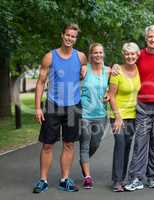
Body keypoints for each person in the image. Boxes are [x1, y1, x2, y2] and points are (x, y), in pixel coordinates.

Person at [33, 23, 87, 193]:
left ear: (75, 38)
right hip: (53, 105)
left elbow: (95, 70)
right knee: (48, 145)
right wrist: (37, 108)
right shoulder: (49, 57)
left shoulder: (81, 57)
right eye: (68, 35)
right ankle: (43, 180)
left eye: (73, 36)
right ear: (62, 35)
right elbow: (41, 83)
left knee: (69, 144)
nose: (70, 38)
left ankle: (65, 179)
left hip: (73, 106)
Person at [123, 25, 154, 191]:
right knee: (140, 143)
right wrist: (115, 68)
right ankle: (136, 177)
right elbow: (127, 66)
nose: (152, 39)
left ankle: (153, 177)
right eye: (149, 37)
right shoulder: (140, 55)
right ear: (146, 39)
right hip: (142, 106)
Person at [108, 42, 141, 192]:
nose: (130, 56)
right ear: (123, 55)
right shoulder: (117, 72)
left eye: (133, 53)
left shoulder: (139, 70)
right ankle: (117, 180)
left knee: (127, 144)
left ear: (137, 55)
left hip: (133, 115)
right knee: (120, 143)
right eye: (127, 54)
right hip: (118, 114)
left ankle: (123, 176)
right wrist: (117, 116)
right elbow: (111, 96)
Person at [79, 43, 110, 189]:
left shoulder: (108, 71)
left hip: (101, 114)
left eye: (100, 52)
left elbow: (115, 86)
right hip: (85, 113)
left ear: (103, 54)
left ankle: (83, 161)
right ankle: (87, 177)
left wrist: (109, 93)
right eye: (95, 53)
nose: (98, 55)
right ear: (90, 55)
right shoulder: (85, 70)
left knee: (95, 144)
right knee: (84, 144)